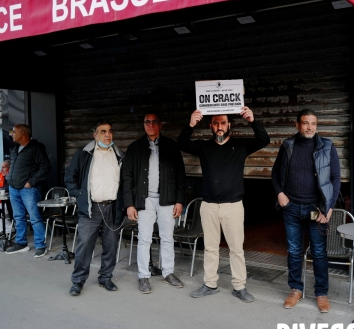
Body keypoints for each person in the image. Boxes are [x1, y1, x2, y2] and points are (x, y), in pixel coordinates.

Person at [178, 106, 270, 303]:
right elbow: (182, 143)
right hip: (209, 205)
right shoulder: (204, 147)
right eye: (215, 123)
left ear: (229, 125)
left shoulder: (241, 146)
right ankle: (210, 284)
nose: (219, 127)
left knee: (236, 248)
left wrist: (253, 120)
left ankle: (240, 286)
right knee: (211, 248)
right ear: (210, 126)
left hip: (233, 206)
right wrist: (191, 124)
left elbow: (264, 140)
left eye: (223, 123)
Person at [271, 109, 341, 313]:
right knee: (293, 251)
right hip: (291, 208)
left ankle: (321, 293)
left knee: (319, 253)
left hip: (316, 209)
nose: (309, 127)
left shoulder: (327, 146)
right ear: (297, 125)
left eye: (313, 123)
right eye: (305, 123)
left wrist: (328, 207)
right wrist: (280, 194)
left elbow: (335, 179)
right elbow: (275, 174)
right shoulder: (288, 145)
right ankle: (295, 289)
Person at [122, 113, 186, 293]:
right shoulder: (135, 148)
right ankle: (143, 276)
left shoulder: (171, 146)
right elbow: (127, 178)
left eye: (154, 122)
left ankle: (168, 273)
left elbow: (181, 175)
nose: (150, 125)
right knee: (144, 239)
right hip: (144, 200)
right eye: (147, 122)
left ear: (160, 124)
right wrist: (130, 204)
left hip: (167, 199)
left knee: (167, 238)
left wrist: (180, 200)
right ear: (144, 125)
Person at [65, 120, 125, 296]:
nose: (107, 135)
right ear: (95, 135)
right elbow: (70, 176)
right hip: (92, 208)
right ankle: (78, 281)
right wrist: (79, 194)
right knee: (84, 246)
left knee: (111, 245)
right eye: (103, 131)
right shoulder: (84, 154)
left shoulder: (119, 154)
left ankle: (105, 277)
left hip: (112, 207)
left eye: (110, 131)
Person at [5, 124, 51, 257]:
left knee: (35, 217)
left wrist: (31, 182)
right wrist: (9, 178)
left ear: (23, 133)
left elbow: (45, 167)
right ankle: (21, 243)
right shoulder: (15, 148)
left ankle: (40, 246)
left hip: (28, 190)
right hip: (13, 188)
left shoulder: (36, 148)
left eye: (14, 132)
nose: (11, 134)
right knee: (18, 216)